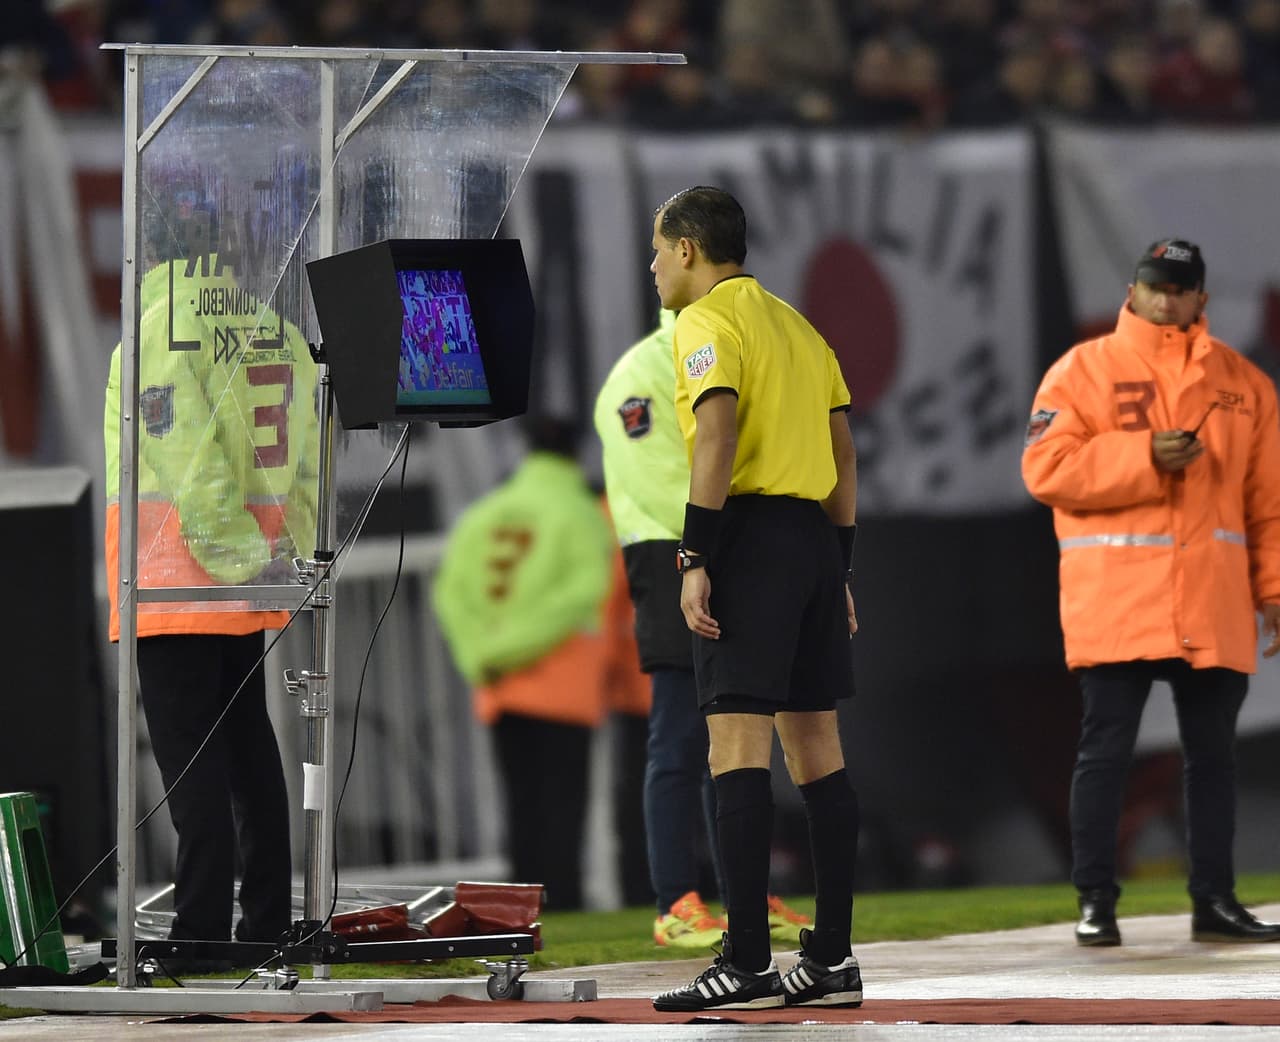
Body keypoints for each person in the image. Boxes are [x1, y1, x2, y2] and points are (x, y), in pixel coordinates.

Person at [1022, 238, 1280, 947]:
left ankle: (1215, 900)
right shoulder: (1082, 371)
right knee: (1105, 751)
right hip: (1119, 599)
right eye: (1154, 286)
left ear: (1202, 297)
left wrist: (1275, 589)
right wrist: (1143, 455)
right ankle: (1094, 901)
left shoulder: (1244, 383)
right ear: (1133, 290)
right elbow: (1045, 468)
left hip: (1213, 599)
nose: (1165, 300)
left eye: (1179, 288)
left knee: (1212, 758)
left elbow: (1268, 503)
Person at [646, 186, 862, 1012]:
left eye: (660, 249)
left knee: (733, 748)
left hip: (750, 539)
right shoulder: (801, 328)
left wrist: (698, 551)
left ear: (691, 250)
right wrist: (838, 568)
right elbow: (845, 454)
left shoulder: (704, 322)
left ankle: (743, 962)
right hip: (811, 541)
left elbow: (718, 430)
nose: (654, 266)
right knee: (819, 754)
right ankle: (833, 959)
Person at [104, 243, 319, 956]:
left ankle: (198, 932)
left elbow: (186, 461)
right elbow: (308, 459)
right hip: (249, 576)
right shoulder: (276, 328)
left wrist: (232, 555)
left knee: (190, 760)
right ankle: (264, 923)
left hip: (176, 577)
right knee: (248, 749)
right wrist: (284, 556)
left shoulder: (162, 330)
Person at [593, 309, 816, 948]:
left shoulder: (725, 351)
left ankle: (744, 893)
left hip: (719, 548)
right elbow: (655, 473)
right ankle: (674, 904)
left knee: (739, 731)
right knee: (679, 736)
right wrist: (719, 539)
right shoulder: (645, 369)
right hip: (671, 550)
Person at [431, 416, 615, 911]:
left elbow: (451, 592)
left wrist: (484, 656)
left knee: (521, 808)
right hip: (561, 686)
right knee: (563, 810)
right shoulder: (579, 512)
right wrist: (518, 648)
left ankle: (520, 912)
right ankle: (563, 904)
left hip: (499, 686)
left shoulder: (486, 513)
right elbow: (579, 596)